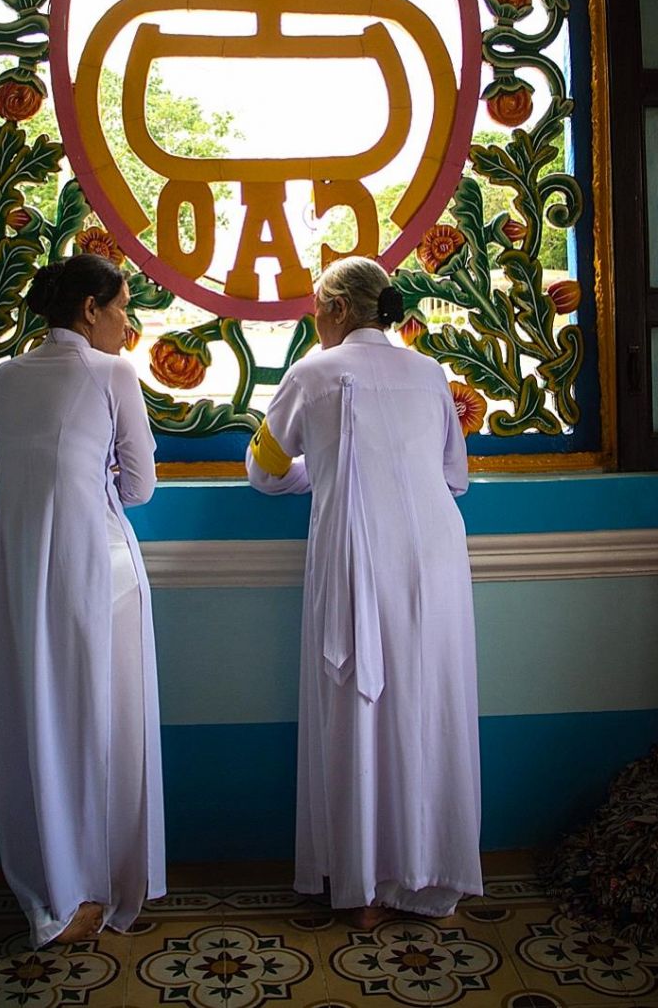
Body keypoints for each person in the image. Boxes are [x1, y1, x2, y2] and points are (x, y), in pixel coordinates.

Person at [246, 256, 482, 928]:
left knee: (357, 704)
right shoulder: (429, 371)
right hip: (435, 552)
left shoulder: (310, 373)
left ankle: (365, 888)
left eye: (317, 305)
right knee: (429, 702)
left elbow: (263, 469)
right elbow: (454, 474)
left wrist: (318, 472)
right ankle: (435, 879)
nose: (311, 316)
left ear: (341, 309)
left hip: (356, 551)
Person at [0, 252, 162, 945]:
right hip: (101, 566)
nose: (128, 322)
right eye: (121, 306)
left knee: (43, 720)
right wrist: (104, 477)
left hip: (26, 567)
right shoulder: (112, 372)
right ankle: (104, 883)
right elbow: (141, 485)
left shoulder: (5, 376)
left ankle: (56, 886)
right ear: (90, 309)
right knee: (107, 724)